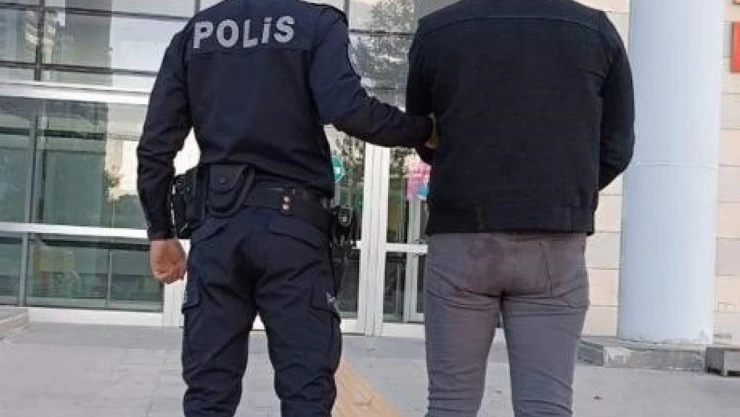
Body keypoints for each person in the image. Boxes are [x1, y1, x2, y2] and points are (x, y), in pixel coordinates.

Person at [136, 0, 433, 416]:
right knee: (305, 392)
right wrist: (425, 130)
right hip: (294, 231)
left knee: (207, 394)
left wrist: (161, 232)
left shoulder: (195, 33)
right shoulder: (317, 24)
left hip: (218, 228)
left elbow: (154, 146)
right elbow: (349, 110)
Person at [407, 1, 635, 416]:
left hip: (463, 237)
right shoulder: (596, 31)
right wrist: (563, 194)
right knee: (546, 406)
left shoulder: (437, 30)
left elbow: (424, 133)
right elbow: (617, 148)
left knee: (449, 406)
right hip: (555, 241)